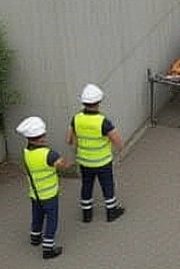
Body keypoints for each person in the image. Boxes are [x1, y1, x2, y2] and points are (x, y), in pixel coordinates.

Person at [66, 83, 126, 224]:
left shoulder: (76, 118)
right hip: (102, 161)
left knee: (86, 185)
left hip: (84, 161)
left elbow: (69, 140)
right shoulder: (103, 122)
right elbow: (119, 142)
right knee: (107, 185)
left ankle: (87, 214)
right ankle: (111, 211)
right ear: (99, 102)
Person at [15, 116, 71, 260]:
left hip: (35, 193)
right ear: (41, 137)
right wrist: (68, 162)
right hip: (49, 194)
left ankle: (35, 237)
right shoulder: (49, 154)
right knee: (52, 220)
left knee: (37, 216)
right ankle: (48, 248)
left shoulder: (26, 152)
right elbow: (63, 165)